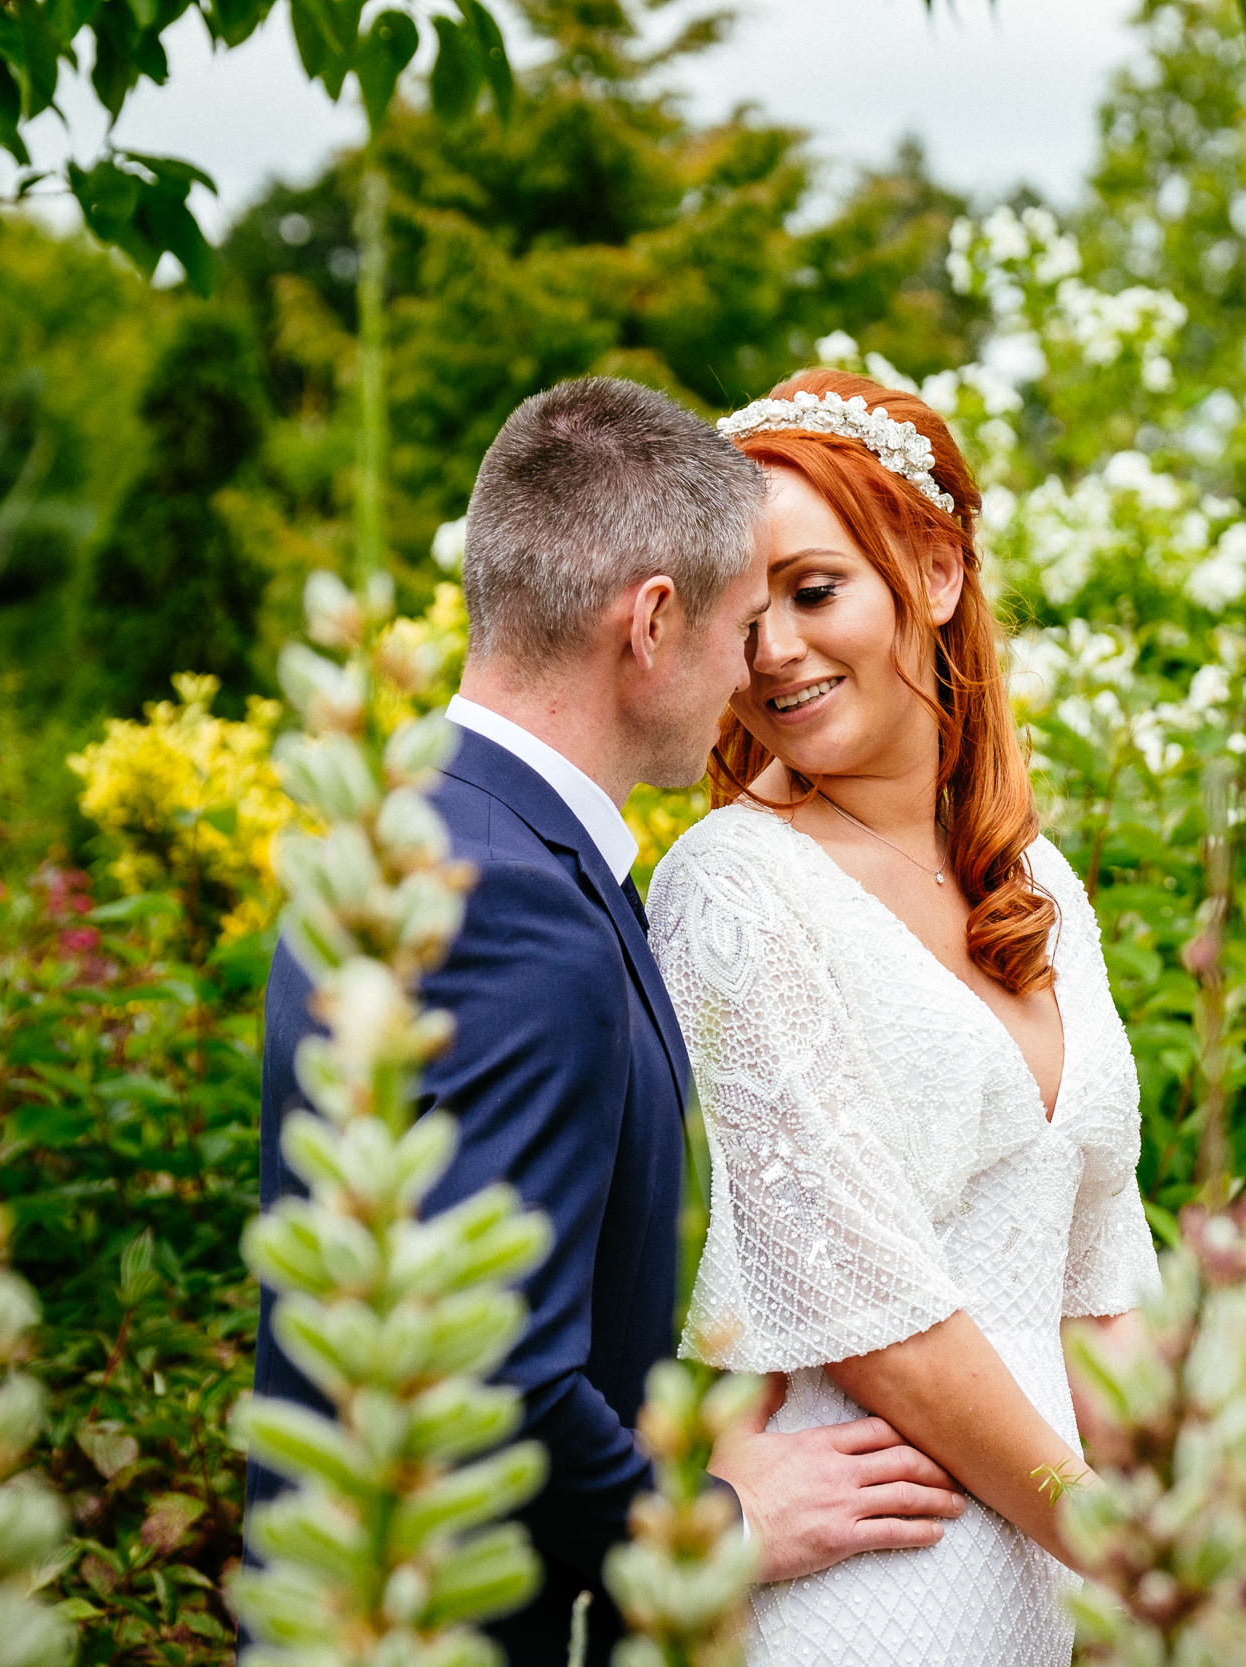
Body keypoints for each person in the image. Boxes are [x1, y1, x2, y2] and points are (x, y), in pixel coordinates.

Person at [247, 377, 966, 1664]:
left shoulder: (421, 830)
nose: (759, 665)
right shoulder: (504, 906)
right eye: (746, 622)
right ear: (651, 622)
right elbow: (481, 1380)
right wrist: (713, 1520)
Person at [648, 370, 1164, 1667]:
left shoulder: (1042, 886)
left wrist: (1206, 1521)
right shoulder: (735, 880)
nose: (774, 653)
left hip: (1062, 1582)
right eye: (742, 615)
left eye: (814, 591)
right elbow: (869, 1307)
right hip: (884, 1558)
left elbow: (1100, 1279)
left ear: (933, 571)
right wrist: (1110, 1531)